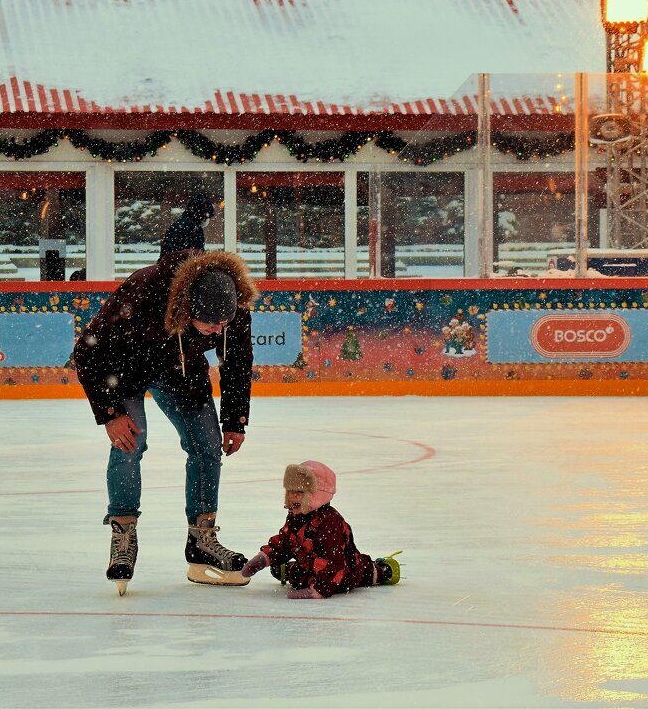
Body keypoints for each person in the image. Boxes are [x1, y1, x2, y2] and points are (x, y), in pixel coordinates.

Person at [71, 249, 257, 593]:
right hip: (125, 369)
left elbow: (237, 362)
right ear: (187, 310)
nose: (218, 331)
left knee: (207, 445)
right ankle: (123, 536)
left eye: (223, 324)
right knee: (131, 442)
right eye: (210, 324)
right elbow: (87, 351)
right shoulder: (144, 290)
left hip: (180, 372)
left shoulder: (232, 307)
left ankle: (202, 539)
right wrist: (111, 414)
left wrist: (235, 420)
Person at [240, 460, 402, 599]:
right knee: (296, 574)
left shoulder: (330, 522)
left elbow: (334, 564)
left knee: (359, 572)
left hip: (342, 570)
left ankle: (382, 570)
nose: (292, 496)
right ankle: (291, 569)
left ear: (316, 495)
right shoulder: (296, 516)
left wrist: (316, 591)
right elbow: (287, 540)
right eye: (290, 491)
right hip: (311, 563)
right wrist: (265, 558)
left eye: (299, 492)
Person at [160, 193, 216, 258]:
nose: (206, 220)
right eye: (206, 217)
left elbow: (166, 253)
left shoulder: (178, 224)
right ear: (202, 215)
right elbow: (197, 257)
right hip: (182, 266)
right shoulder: (195, 228)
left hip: (168, 265)